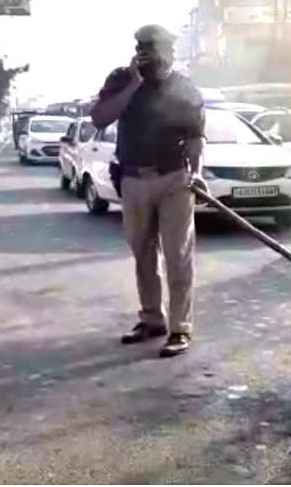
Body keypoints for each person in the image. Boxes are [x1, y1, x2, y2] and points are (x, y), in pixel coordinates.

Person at [91, 24, 208, 357]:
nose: (147, 54)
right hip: (132, 179)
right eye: (141, 47)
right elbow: (100, 119)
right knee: (143, 254)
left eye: (154, 48)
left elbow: (196, 139)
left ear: (170, 52)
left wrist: (197, 173)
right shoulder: (121, 79)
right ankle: (152, 320)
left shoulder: (184, 88)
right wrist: (134, 84)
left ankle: (179, 328)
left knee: (178, 257)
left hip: (174, 179)